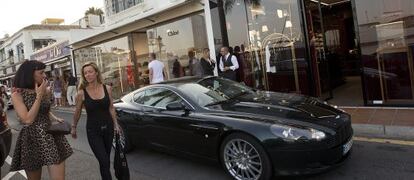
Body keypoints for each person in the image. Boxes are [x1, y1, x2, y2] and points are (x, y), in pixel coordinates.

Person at [10, 60, 73, 180]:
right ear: (30, 74)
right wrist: (38, 96)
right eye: (41, 72)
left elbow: (44, 109)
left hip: (50, 135)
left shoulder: (44, 90)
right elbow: (28, 119)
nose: (45, 75)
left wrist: (54, 117)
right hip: (31, 138)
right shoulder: (17, 95)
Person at [71, 62, 122, 180]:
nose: (87, 75)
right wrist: (73, 127)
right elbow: (77, 111)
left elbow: (111, 107)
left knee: (106, 160)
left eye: (90, 72)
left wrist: (116, 124)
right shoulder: (81, 93)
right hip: (93, 131)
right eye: (85, 73)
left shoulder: (107, 88)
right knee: (104, 160)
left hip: (108, 128)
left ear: (96, 73)